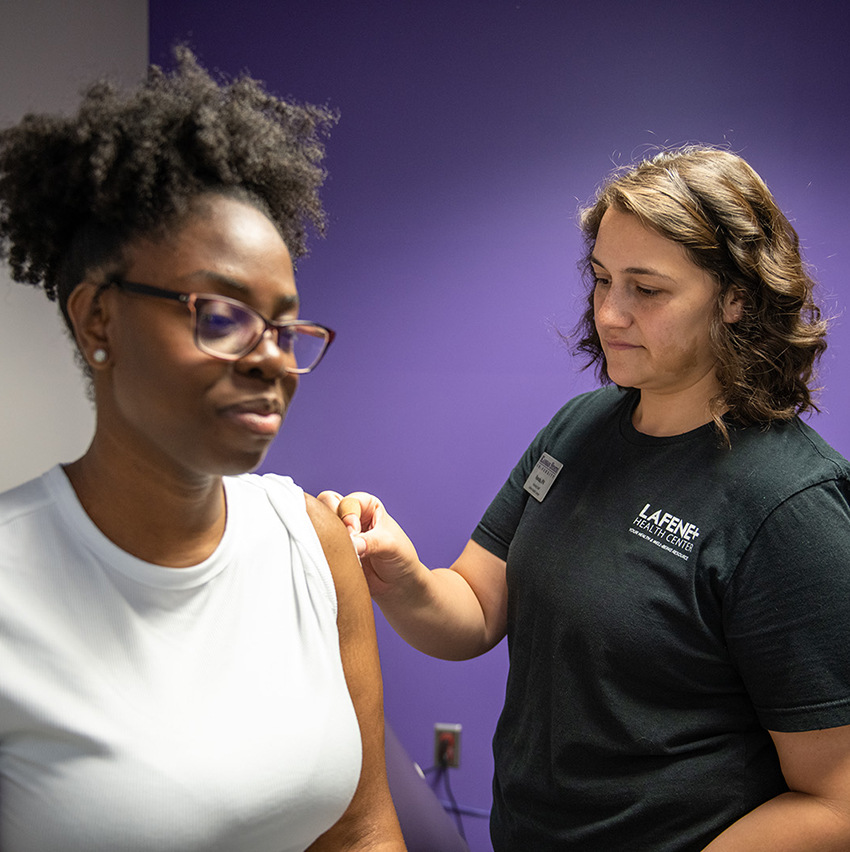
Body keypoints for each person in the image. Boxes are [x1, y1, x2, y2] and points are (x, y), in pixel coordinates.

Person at [321, 147, 850, 852]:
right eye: (601, 280)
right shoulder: (581, 428)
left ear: (737, 298)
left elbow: (834, 803)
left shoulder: (792, 504)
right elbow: (475, 611)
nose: (609, 313)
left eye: (647, 289)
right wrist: (401, 576)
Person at [0, 49, 405, 852]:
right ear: (98, 321)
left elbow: (361, 828)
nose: (271, 359)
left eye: (285, 327)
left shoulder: (314, 543)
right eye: (220, 314)